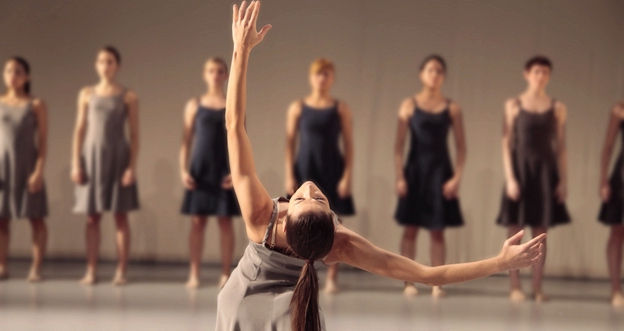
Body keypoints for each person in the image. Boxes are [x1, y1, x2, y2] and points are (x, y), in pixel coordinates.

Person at [217, 2, 546, 331]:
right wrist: (498, 263)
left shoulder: (265, 218)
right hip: (242, 302)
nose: (310, 191)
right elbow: (426, 275)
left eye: (307, 199)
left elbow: (234, 126)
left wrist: (240, 52)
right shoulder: (339, 243)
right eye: (314, 200)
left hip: (281, 305)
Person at [496, 56, 570, 302]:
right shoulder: (514, 104)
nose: (541, 76)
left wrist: (563, 181)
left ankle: (537, 287)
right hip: (520, 170)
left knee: (541, 232)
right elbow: (506, 143)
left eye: (545, 72)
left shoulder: (557, 107)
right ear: (527, 74)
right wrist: (510, 178)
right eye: (537, 71)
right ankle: (515, 285)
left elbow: (561, 147)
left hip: (545, 172)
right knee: (516, 230)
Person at [394, 54, 466, 297]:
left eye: (439, 71)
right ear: (421, 74)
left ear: (443, 76)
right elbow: (398, 146)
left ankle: (437, 283)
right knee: (411, 228)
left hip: (440, 174)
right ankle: (408, 281)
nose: (434, 74)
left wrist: (456, 178)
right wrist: (400, 177)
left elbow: (461, 147)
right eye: (430, 70)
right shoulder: (409, 105)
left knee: (437, 230)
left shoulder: (452, 108)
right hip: (415, 172)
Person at [285, 57, 355, 294]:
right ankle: (299, 271)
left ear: (332, 78)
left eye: (326, 74)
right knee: (298, 219)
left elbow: (349, 144)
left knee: (334, 220)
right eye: (318, 74)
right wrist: (288, 174)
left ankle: (332, 277)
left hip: (332, 168)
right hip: (305, 167)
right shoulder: (298, 107)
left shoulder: (341, 108)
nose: (322, 79)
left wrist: (347, 176)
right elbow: (289, 144)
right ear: (311, 77)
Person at [71, 46, 140, 285]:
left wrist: (131, 167)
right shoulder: (87, 93)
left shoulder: (128, 95)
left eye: (110, 61)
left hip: (118, 158)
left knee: (120, 216)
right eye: (101, 61)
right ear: (96, 65)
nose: (105, 65)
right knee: (92, 217)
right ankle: (91, 270)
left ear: (117, 66)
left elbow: (134, 134)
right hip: (91, 159)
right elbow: (80, 129)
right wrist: (75, 163)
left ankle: (121, 270)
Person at [180, 57, 240, 289]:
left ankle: (226, 273)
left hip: (223, 169)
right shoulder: (194, 105)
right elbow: (186, 141)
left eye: (219, 71)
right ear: (205, 74)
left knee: (225, 222)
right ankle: (194, 273)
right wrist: (184, 170)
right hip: (199, 169)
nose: (215, 75)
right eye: (211, 71)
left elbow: (240, 140)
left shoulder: (233, 104)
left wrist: (236, 172)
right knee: (198, 222)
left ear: (225, 75)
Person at [0, 57, 48, 282]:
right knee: (1, 219)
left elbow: (44, 141)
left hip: (28, 166)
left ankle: (36, 268)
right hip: (2, 168)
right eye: (8, 70)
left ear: (26, 77)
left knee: (36, 219)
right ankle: (2, 266)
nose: (12, 75)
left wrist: (39, 171)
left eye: (18, 71)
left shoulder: (36, 104)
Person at [598, 100, 624, 307]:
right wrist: (603, 180)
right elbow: (608, 147)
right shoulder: (619, 109)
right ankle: (616, 289)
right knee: (618, 231)